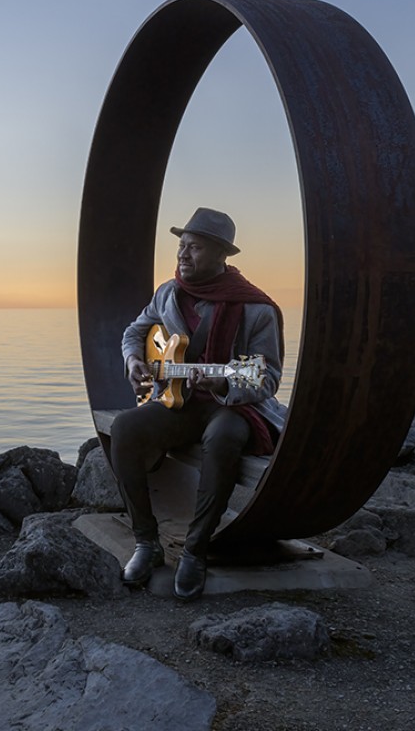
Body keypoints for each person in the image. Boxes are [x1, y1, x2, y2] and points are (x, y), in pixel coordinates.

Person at [109, 207, 286, 600]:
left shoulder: (257, 309)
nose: (183, 255)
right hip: (180, 402)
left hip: (232, 407)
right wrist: (134, 359)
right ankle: (146, 543)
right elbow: (134, 331)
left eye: (195, 247)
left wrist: (221, 378)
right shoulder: (168, 293)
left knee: (223, 439)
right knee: (124, 429)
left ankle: (195, 550)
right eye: (182, 246)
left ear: (222, 255)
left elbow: (268, 377)